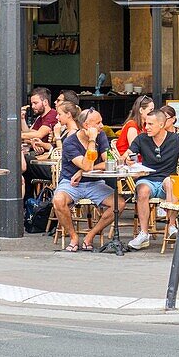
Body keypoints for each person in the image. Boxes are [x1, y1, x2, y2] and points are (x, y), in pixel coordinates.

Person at [122, 108, 179, 250]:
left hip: (167, 179)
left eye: (150, 124)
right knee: (142, 190)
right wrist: (127, 159)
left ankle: (172, 226)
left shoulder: (176, 139)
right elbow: (127, 155)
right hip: (148, 179)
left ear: (161, 124)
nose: (146, 127)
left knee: (169, 182)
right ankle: (144, 234)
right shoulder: (141, 138)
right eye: (146, 124)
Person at [51, 108, 115, 252]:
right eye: (98, 123)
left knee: (119, 204)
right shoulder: (70, 143)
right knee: (58, 201)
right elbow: (87, 165)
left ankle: (90, 236)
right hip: (71, 183)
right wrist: (92, 141)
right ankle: (73, 237)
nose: (101, 125)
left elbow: (109, 162)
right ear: (86, 125)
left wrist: (82, 171)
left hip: (94, 182)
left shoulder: (102, 135)